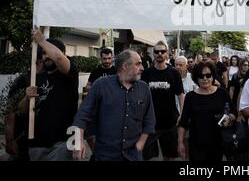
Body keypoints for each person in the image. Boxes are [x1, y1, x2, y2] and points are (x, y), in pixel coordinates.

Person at [72, 50, 155, 161]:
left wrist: (140, 144)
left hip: (133, 156)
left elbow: (150, 120)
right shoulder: (100, 85)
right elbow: (82, 115)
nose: (142, 68)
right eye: (138, 64)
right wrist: (78, 141)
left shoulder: (144, 88)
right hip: (105, 155)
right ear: (125, 66)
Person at [25, 28, 79, 161]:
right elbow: (22, 110)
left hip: (61, 144)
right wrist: (26, 98)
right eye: (43, 53)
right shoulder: (36, 78)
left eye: (49, 52)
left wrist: (41, 41)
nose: (46, 56)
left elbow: (59, 57)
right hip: (36, 144)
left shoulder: (69, 74)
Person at [178, 61, 236, 161]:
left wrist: (229, 118)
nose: (205, 78)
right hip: (196, 144)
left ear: (213, 76)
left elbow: (234, 112)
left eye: (208, 75)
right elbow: (183, 121)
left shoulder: (222, 93)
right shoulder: (190, 96)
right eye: (201, 76)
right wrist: (180, 142)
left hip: (218, 143)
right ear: (196, 77)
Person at [140, 41, 184, 160]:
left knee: (169, 156)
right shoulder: (146, 73)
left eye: (162, 51)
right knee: (148, 156)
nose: (160, 53)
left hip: (170, 121)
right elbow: (140, 95)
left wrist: (182, 114)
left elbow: (180, 94)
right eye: (157, 51)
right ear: (153, 54)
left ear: (167, 54)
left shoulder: (174, 73)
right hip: (150, 121)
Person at [4, 49, 44, 161]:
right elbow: (10, 111)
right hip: (22, 138)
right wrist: (10, 140)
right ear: (39, 61)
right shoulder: (22, 81)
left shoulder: (48, 80)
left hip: (41, 141)